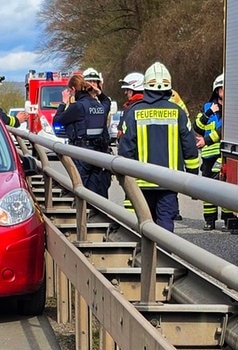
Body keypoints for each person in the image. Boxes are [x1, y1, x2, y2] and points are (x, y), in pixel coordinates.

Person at [117, 61, 199, 232]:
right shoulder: (178, 112)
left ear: (146, 86)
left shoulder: (134, 112)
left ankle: (147, 257)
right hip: (169, 183)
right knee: (165, 224)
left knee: (144, 224)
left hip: (140, 183)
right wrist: (192, 177)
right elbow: (190, 149)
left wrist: (125, 177)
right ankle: (163, 257)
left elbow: (125, 149)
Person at [54, 68, 114, 197]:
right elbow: (107, 102)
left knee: (81, 189)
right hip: (99, 153)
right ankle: (99, 214)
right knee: (98, 189)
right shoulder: (100, 107)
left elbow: (57, 121)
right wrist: (100, 93)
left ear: (74, 90)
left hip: (82, 153)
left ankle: (83, 215)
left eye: (70, 91)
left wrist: (63, 102)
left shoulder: (78, 107)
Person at [194, 74, 226, 228]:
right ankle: (210, 220)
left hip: (224, 155)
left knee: (226, 189)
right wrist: (208, 114)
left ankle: (228, 220)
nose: (225, 91)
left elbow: (224, 130)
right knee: (208, 191)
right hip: (208, 156)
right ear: (217, 90)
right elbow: (197, 127)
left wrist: (206, 140)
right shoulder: (207, 107)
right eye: (222, 88)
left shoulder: (233, 108)